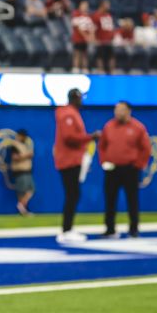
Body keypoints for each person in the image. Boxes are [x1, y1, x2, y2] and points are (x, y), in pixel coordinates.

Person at [98, 101, 151, 238]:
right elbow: (102, 146)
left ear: (128, 111)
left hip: (130, 169)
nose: (118, 112)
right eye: (116, 109)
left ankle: (133, 228)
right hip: (112, 169)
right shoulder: (109, 126)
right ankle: (110, 228)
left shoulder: (138, 127)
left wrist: (139, 164)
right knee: (110, 199)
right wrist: (104, 161)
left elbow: (146, 148)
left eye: (121, 109)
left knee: (132, 199)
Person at [54, 88, 98, 243]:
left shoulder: (72, 113)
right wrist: (91, 137)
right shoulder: (68, 113)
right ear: (75, 98)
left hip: (73, 159)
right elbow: (69, 137)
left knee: (73, 194)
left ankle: (68, 229)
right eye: (80, 98)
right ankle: (66, 230)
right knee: (72, 194)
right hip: (69, 160)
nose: (81, 101)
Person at [9, 129, 35, 216]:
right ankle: (21, 207)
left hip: (27, 171)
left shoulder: (25, 145)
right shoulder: (15, 146)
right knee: (22, 191)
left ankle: (23, 209)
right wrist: (27, 155)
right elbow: (14, 157)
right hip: (20, 171)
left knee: (29, 190)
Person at [92, 0, 117, 74]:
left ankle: (112, 72)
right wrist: (94, 39)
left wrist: (113, 37)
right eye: (107, 4)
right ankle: (101, 72)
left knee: (111, 56)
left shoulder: (108, 15)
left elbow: (111, 28)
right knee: (100, 57)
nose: (109, 6)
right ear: (102, 5)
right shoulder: (96, 15)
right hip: (101, 41)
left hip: (109, 41)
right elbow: (93, 28)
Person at [70, 0, 96, 72]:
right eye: (84, 5)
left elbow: (91, 27)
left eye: (86, 5)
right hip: (78, 38)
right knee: (77, 53)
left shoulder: (88, 16)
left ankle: (85, 68)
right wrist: (85, 36)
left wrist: (91, 36)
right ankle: (76, 68)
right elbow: (77, 26)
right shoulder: (76, 13)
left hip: (86, 39)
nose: (85, 7)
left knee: (85, 53)